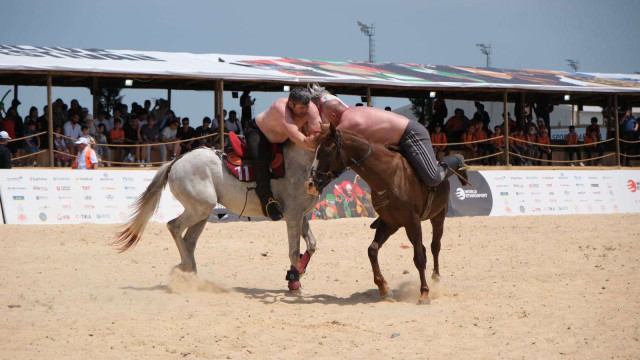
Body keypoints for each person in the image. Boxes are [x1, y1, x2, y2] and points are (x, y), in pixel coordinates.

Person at [320, 92, 469, 189]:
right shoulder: (351, 111)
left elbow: (326, 140)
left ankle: (456, 161)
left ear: (333, 116)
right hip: (397, 141)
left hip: (411, 135)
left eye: (327, 118)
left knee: (433, 178)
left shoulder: (349, 122)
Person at [246, 87, 323, 220]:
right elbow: (293, 134)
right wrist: (312, 147)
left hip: (283, 138)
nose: (305, 110)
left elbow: (318, 132)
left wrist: (317, 143)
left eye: (307, 107)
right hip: (259, 133)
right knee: (261, 160)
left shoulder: (311, 108)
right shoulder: (280, 107)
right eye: (302, 108)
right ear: (291, 104)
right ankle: (267, 201)